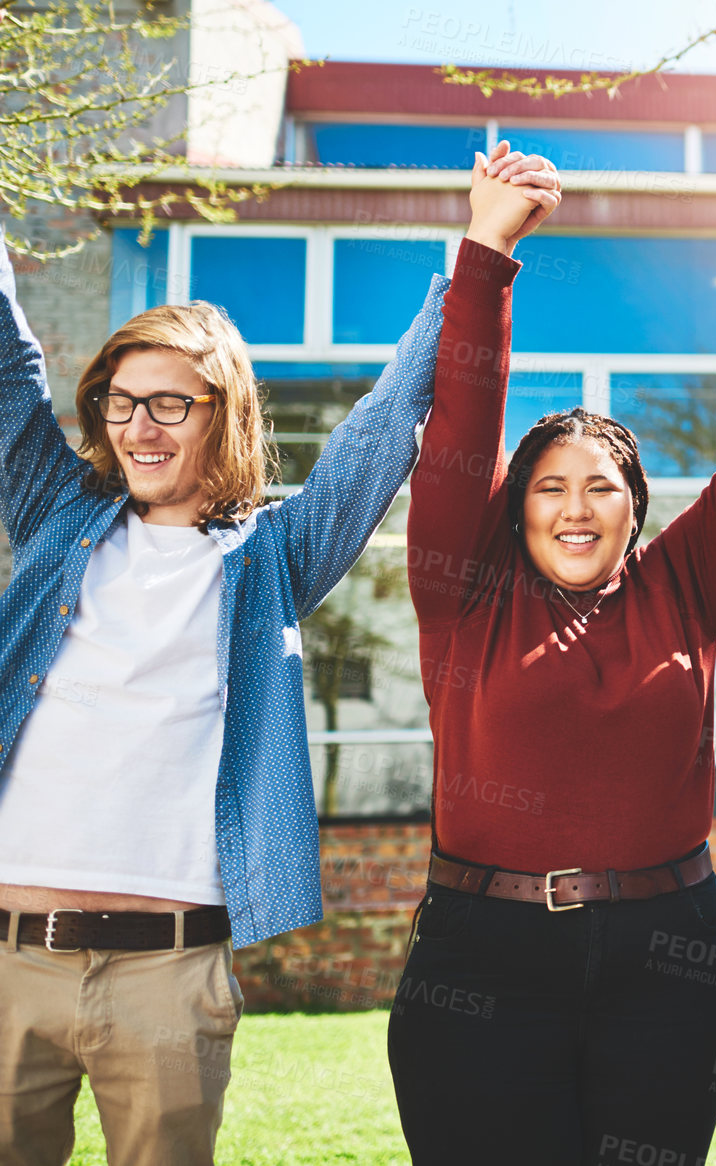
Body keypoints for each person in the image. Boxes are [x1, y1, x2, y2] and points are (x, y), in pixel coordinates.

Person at [0, 145, 559, 1164]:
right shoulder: (53, 515)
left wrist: (482, 246)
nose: (141, 425)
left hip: (166, 977)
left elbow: (388, 424)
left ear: (225, 413)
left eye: (171, 401)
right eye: (123, 401)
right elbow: (5, 361)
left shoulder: (269, 556)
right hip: (6, 963)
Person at [387, 155, 716, 1158]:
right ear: (514, 509)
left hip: (667, 958)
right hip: (483, 958)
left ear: (636, 507)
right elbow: (461, 431)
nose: (576, 505)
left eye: (602, 486)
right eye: (550, 487)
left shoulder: (681, 590)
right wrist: (488, 250)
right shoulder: (463, 594)